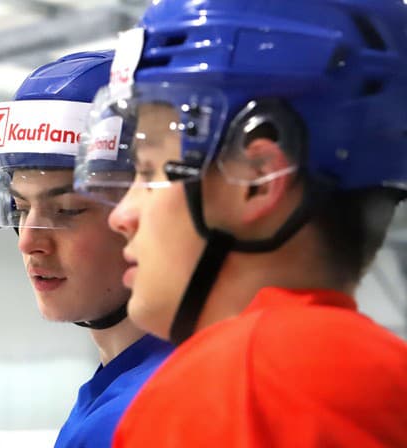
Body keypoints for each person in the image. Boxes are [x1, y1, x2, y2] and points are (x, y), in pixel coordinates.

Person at [74, 1, 407, 446]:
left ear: (256, 179)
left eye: (150, 171)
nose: (121, 216)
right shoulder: (384, 373)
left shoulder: (229, 387)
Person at [0, 50, 172, 448]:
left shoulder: (142, 414)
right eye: (20, 208)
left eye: (67, 210)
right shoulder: (110, 391)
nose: (29, 241)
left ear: (142, 211)